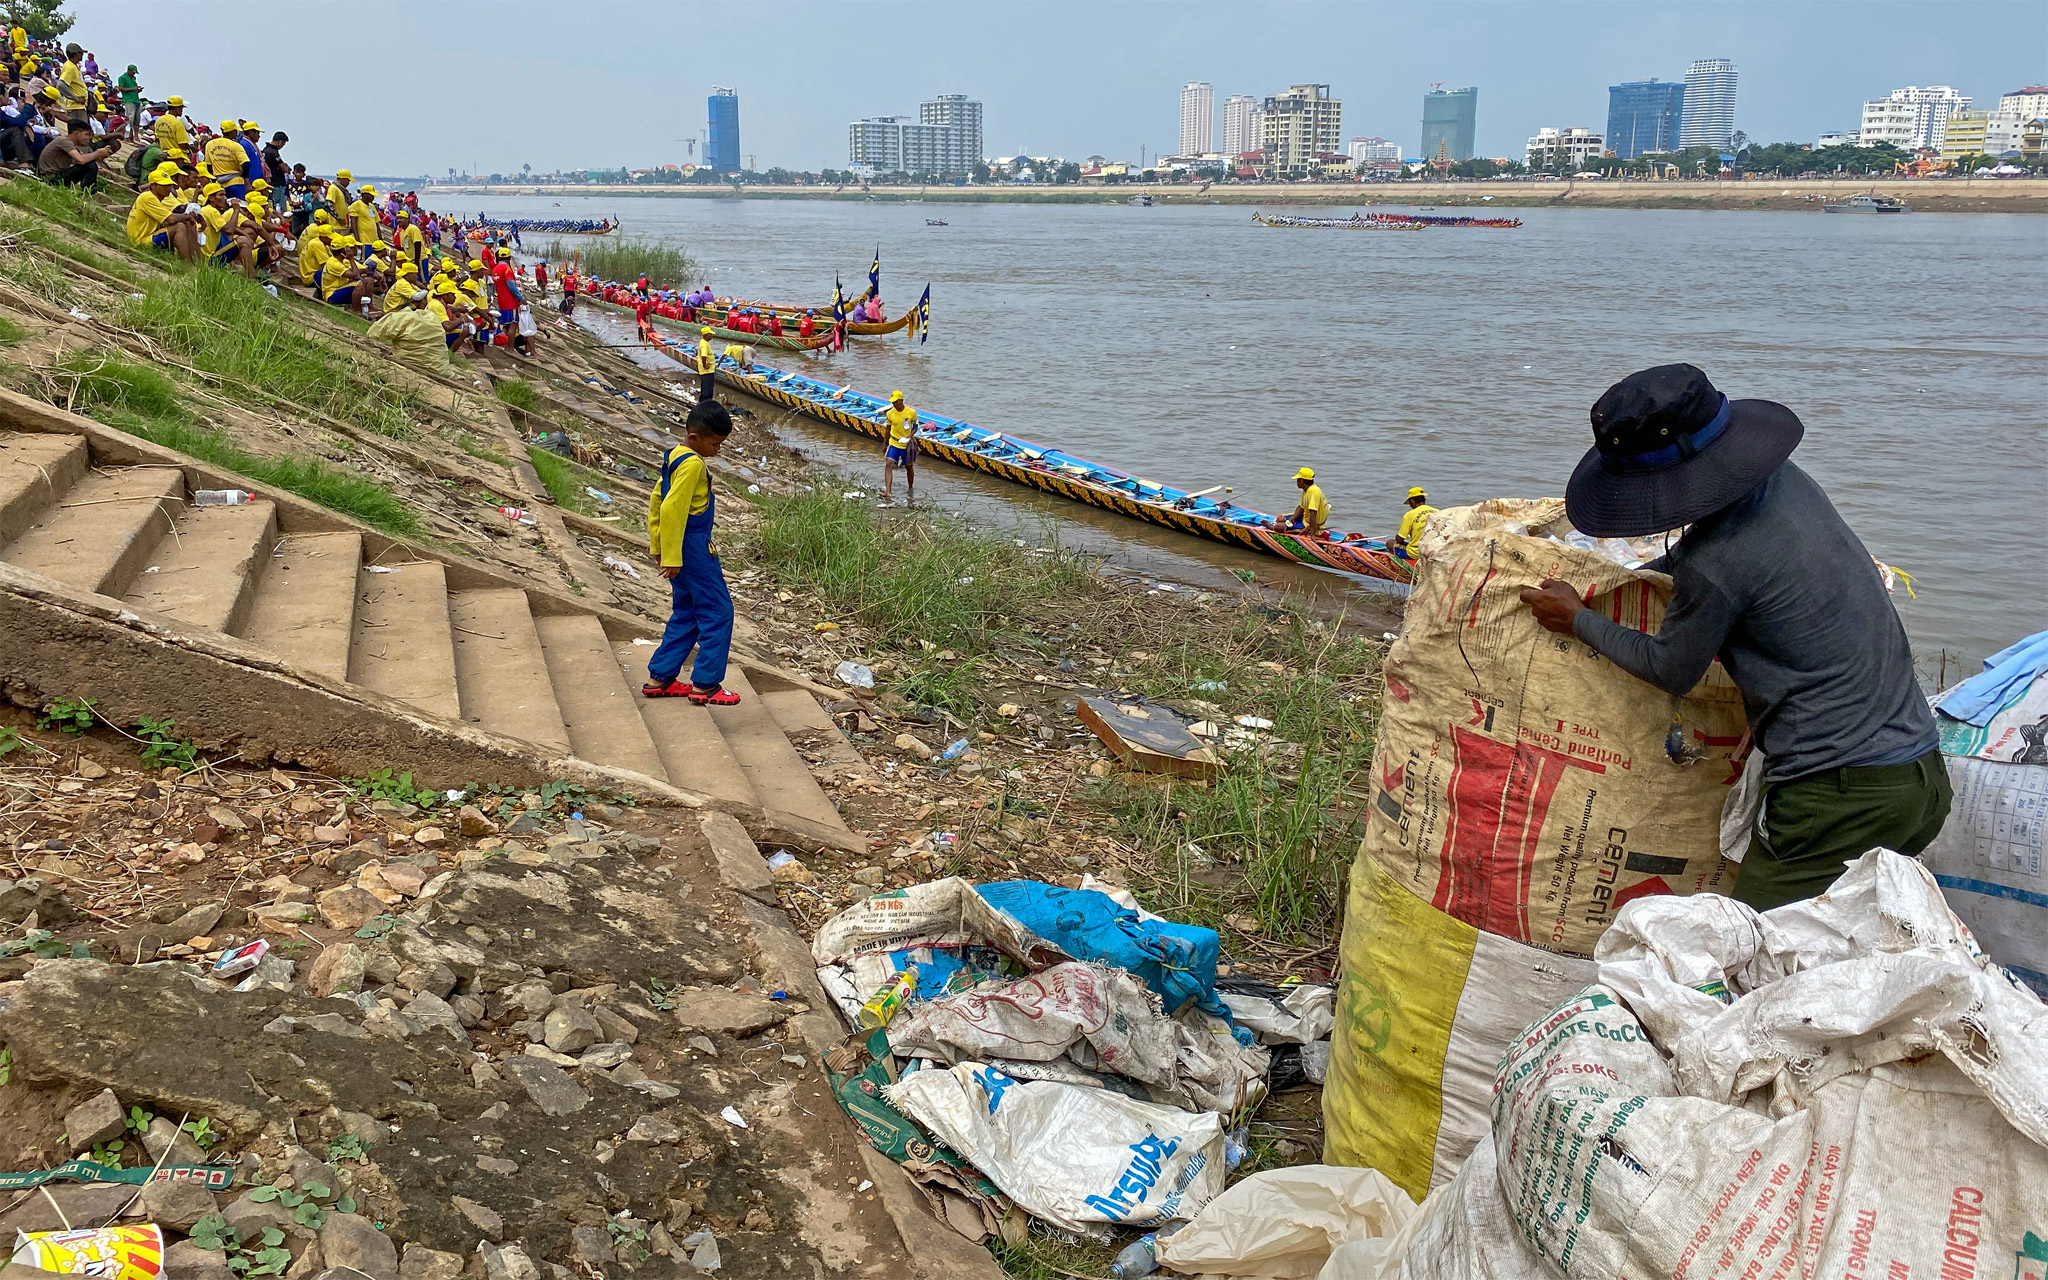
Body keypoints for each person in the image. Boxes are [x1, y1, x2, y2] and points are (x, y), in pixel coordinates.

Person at [1518, 363, 1950, 912]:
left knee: (1756, 950)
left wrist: (1577, 617)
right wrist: (1650, 571)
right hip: (1921, 778)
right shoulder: (1784, 483)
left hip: (1842, 797)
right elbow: (1744, 571)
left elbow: (1673, 667)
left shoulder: (1716, 562)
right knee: (1846, 940)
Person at [643, 399, 741, 706]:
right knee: (718, 611)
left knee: (686, 611)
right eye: (715, 443)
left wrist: (658, 546)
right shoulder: (693, 465)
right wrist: (672, 556)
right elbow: (673, 508)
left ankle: (660, 677)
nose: (718, 450)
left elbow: (657, 499)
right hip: (693, 545)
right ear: (695, 437)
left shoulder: (675, 455)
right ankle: (706, 684)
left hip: (678, 544)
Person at [125, 164, 200, 261]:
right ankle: (189, 264)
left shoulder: (156, 198)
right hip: (141, 240)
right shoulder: (148, 197)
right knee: (179, 226)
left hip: (148, 235)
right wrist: (188, 216)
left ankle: (197, 261)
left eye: (169, 185)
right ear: (153, 185)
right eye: (164, 186)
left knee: (184, 223)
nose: (168, 188)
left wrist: (187, 217)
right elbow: (171, 218)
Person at [35, 115, 114, 185]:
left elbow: (82, 159)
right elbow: (81, 160)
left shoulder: (71, 144)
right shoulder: (64, 141)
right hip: (50, 178)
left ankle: (90, 188)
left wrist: (100, 155)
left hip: (56, 175)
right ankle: (90, 191)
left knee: (90, 164)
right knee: (90, 166)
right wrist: (97, 152)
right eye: (86, 134)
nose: (88, 138)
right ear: (76, 133)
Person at [882, 390, 918, 503]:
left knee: (909, 467)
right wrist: (885, 443)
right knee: (889, 464)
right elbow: (888, 430)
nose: (894, 404)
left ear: (901, 401)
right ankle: (888, 491)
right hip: (894, 442)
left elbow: (915, 427)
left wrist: (910, 436)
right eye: (892, 402)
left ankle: (910, 487)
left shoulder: (911, 413)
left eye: (896, 402)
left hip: (906, 445)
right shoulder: (890, 414)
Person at [1280, 467, 1329, 537]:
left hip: (1311, 523)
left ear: (1302, 481)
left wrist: (1312, 532)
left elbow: (1313, 513)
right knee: (1280, 518)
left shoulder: (1313, 491)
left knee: (1278, 527)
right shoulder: (1306, 490)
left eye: (1298, 479)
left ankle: (1273, 528)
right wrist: (1293, 518)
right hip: (1305, 517)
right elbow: (1301, 507)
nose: (1296, 481)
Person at [1390, 486, 1437, 558]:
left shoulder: (1409, 515)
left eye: (1409, 503)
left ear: (1412, 501)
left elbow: (1400, 539)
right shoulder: (1437, 511)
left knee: (1390, 543)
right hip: (1434, 551)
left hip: (1416, 554)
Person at [692, 324, 717, 402]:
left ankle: (703, 400)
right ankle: (706, 401)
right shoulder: (704, 344)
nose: (712, 336)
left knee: (706, 385)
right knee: (707, 386)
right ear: (706, 335)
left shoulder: (704, 342)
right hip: (707, 370)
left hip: (708, 369)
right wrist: (705, 365)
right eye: (710, 334)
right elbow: (703, 356)